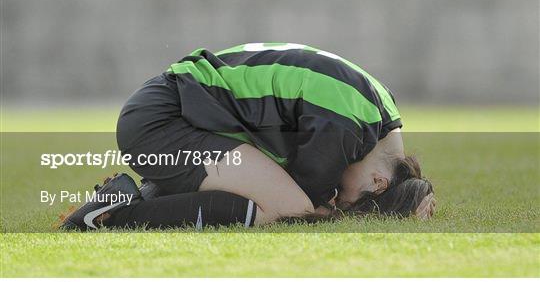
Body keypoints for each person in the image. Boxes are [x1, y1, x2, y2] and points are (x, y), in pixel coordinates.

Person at [61, 43, 435, 231]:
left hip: (168, 113)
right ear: (379, 181)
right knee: (293, 206)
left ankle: (123, 198)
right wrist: (327, 210)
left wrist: (418, 191)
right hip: (162, 121)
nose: (341, 196)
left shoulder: (379, 108)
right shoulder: (347, 127)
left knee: (268, 187)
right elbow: (306, 200)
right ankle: (112, 216)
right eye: (353, 199)